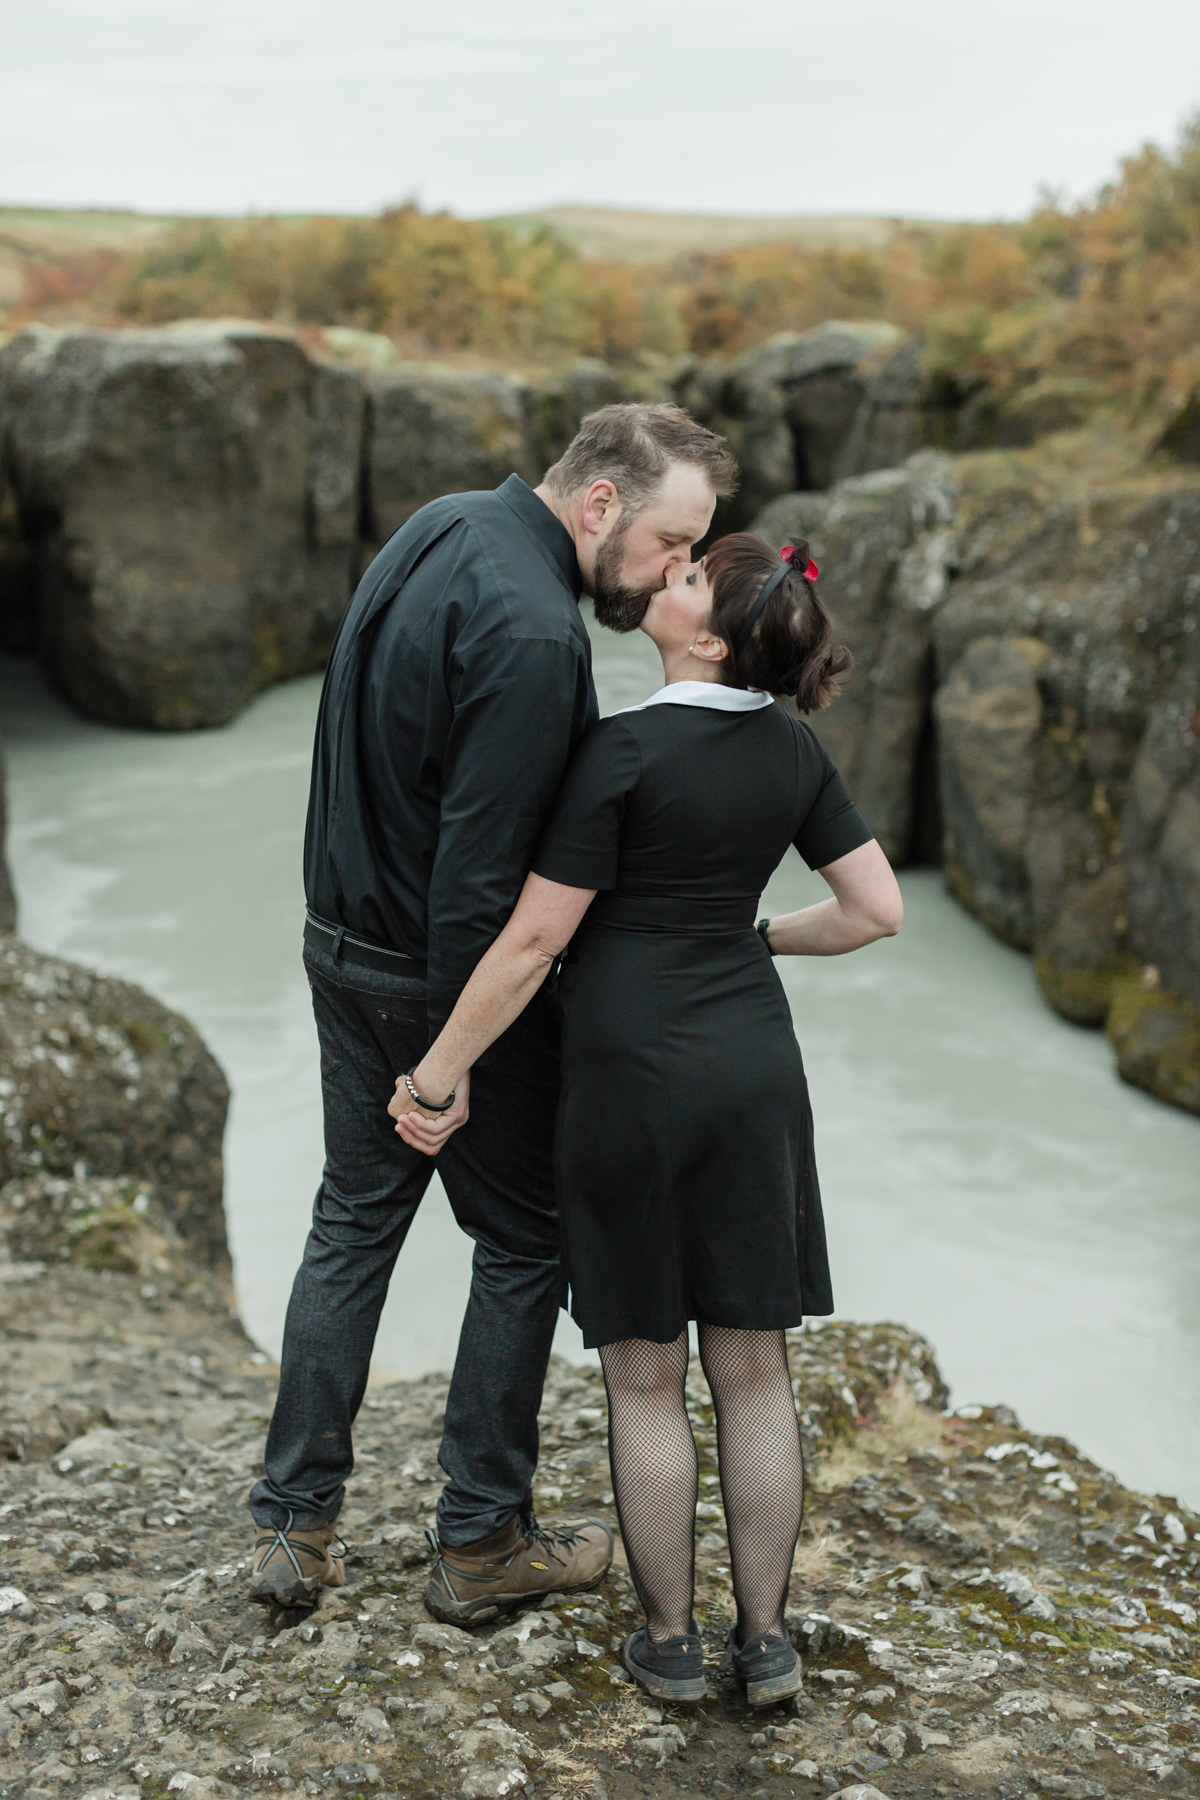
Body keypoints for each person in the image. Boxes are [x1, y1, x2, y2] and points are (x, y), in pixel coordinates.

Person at [389, 532, 904, 1704]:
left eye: (681, 581)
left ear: (707, 635)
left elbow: (532, 942)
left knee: (643, 1377)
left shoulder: (616, 752)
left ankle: (669, 1643)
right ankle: (766, 1643)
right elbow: (875, 911)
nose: (659, 583)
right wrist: (760, 934)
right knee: (753, 1371)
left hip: (624, 1070)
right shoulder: (794, 749)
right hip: (753, 1066)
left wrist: (438, 1073)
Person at [247, 404, 739, 1620]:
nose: (678, 572)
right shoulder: (534, 635)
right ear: (602, 504)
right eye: (674, 541)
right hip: (439, 980)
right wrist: (449, 1065)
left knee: (354, 1220)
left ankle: (294, 1530)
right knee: (526, 1240)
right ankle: (479, 1546)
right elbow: (482, 891)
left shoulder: (439, 525)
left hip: (338, 945)